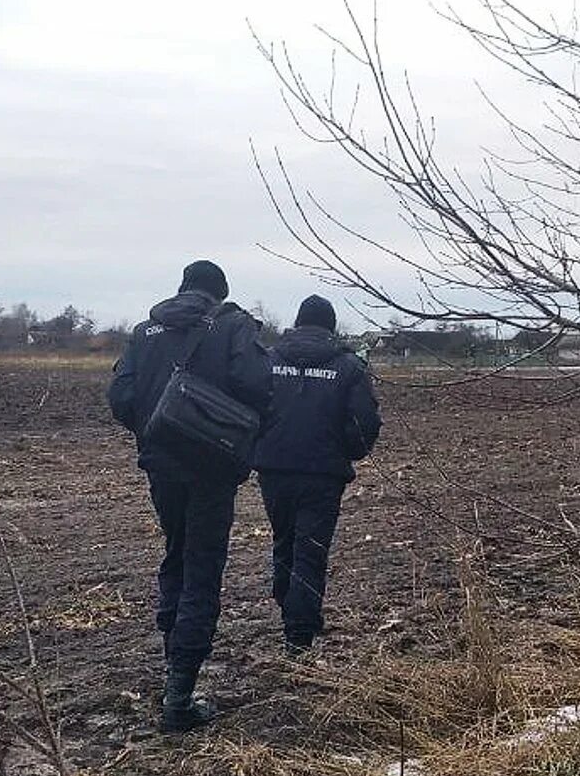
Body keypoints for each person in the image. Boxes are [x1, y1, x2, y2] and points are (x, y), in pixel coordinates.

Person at [107, 260, 272, 732]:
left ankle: (171, 666)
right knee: (201, 569)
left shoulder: (146, 331)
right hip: (214, 469)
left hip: (160, 465)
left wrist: (156, 430)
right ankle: (180, 694)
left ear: (182, 289)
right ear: (219, 293)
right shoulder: (233, 325)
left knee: (176, 556)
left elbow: (120, 397)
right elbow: (261, 387)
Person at [253, 295, 381, 655]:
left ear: (297, 321)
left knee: (284, 540)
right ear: (332, 327)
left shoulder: (270, 359)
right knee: (310, 551)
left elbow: (252, 407)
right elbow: (365, 421)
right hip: (323, 473)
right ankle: (299, 636)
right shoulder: (348, 367)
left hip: (273, 468)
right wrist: (351, 450)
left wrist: (260, 446)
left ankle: (290, 602)